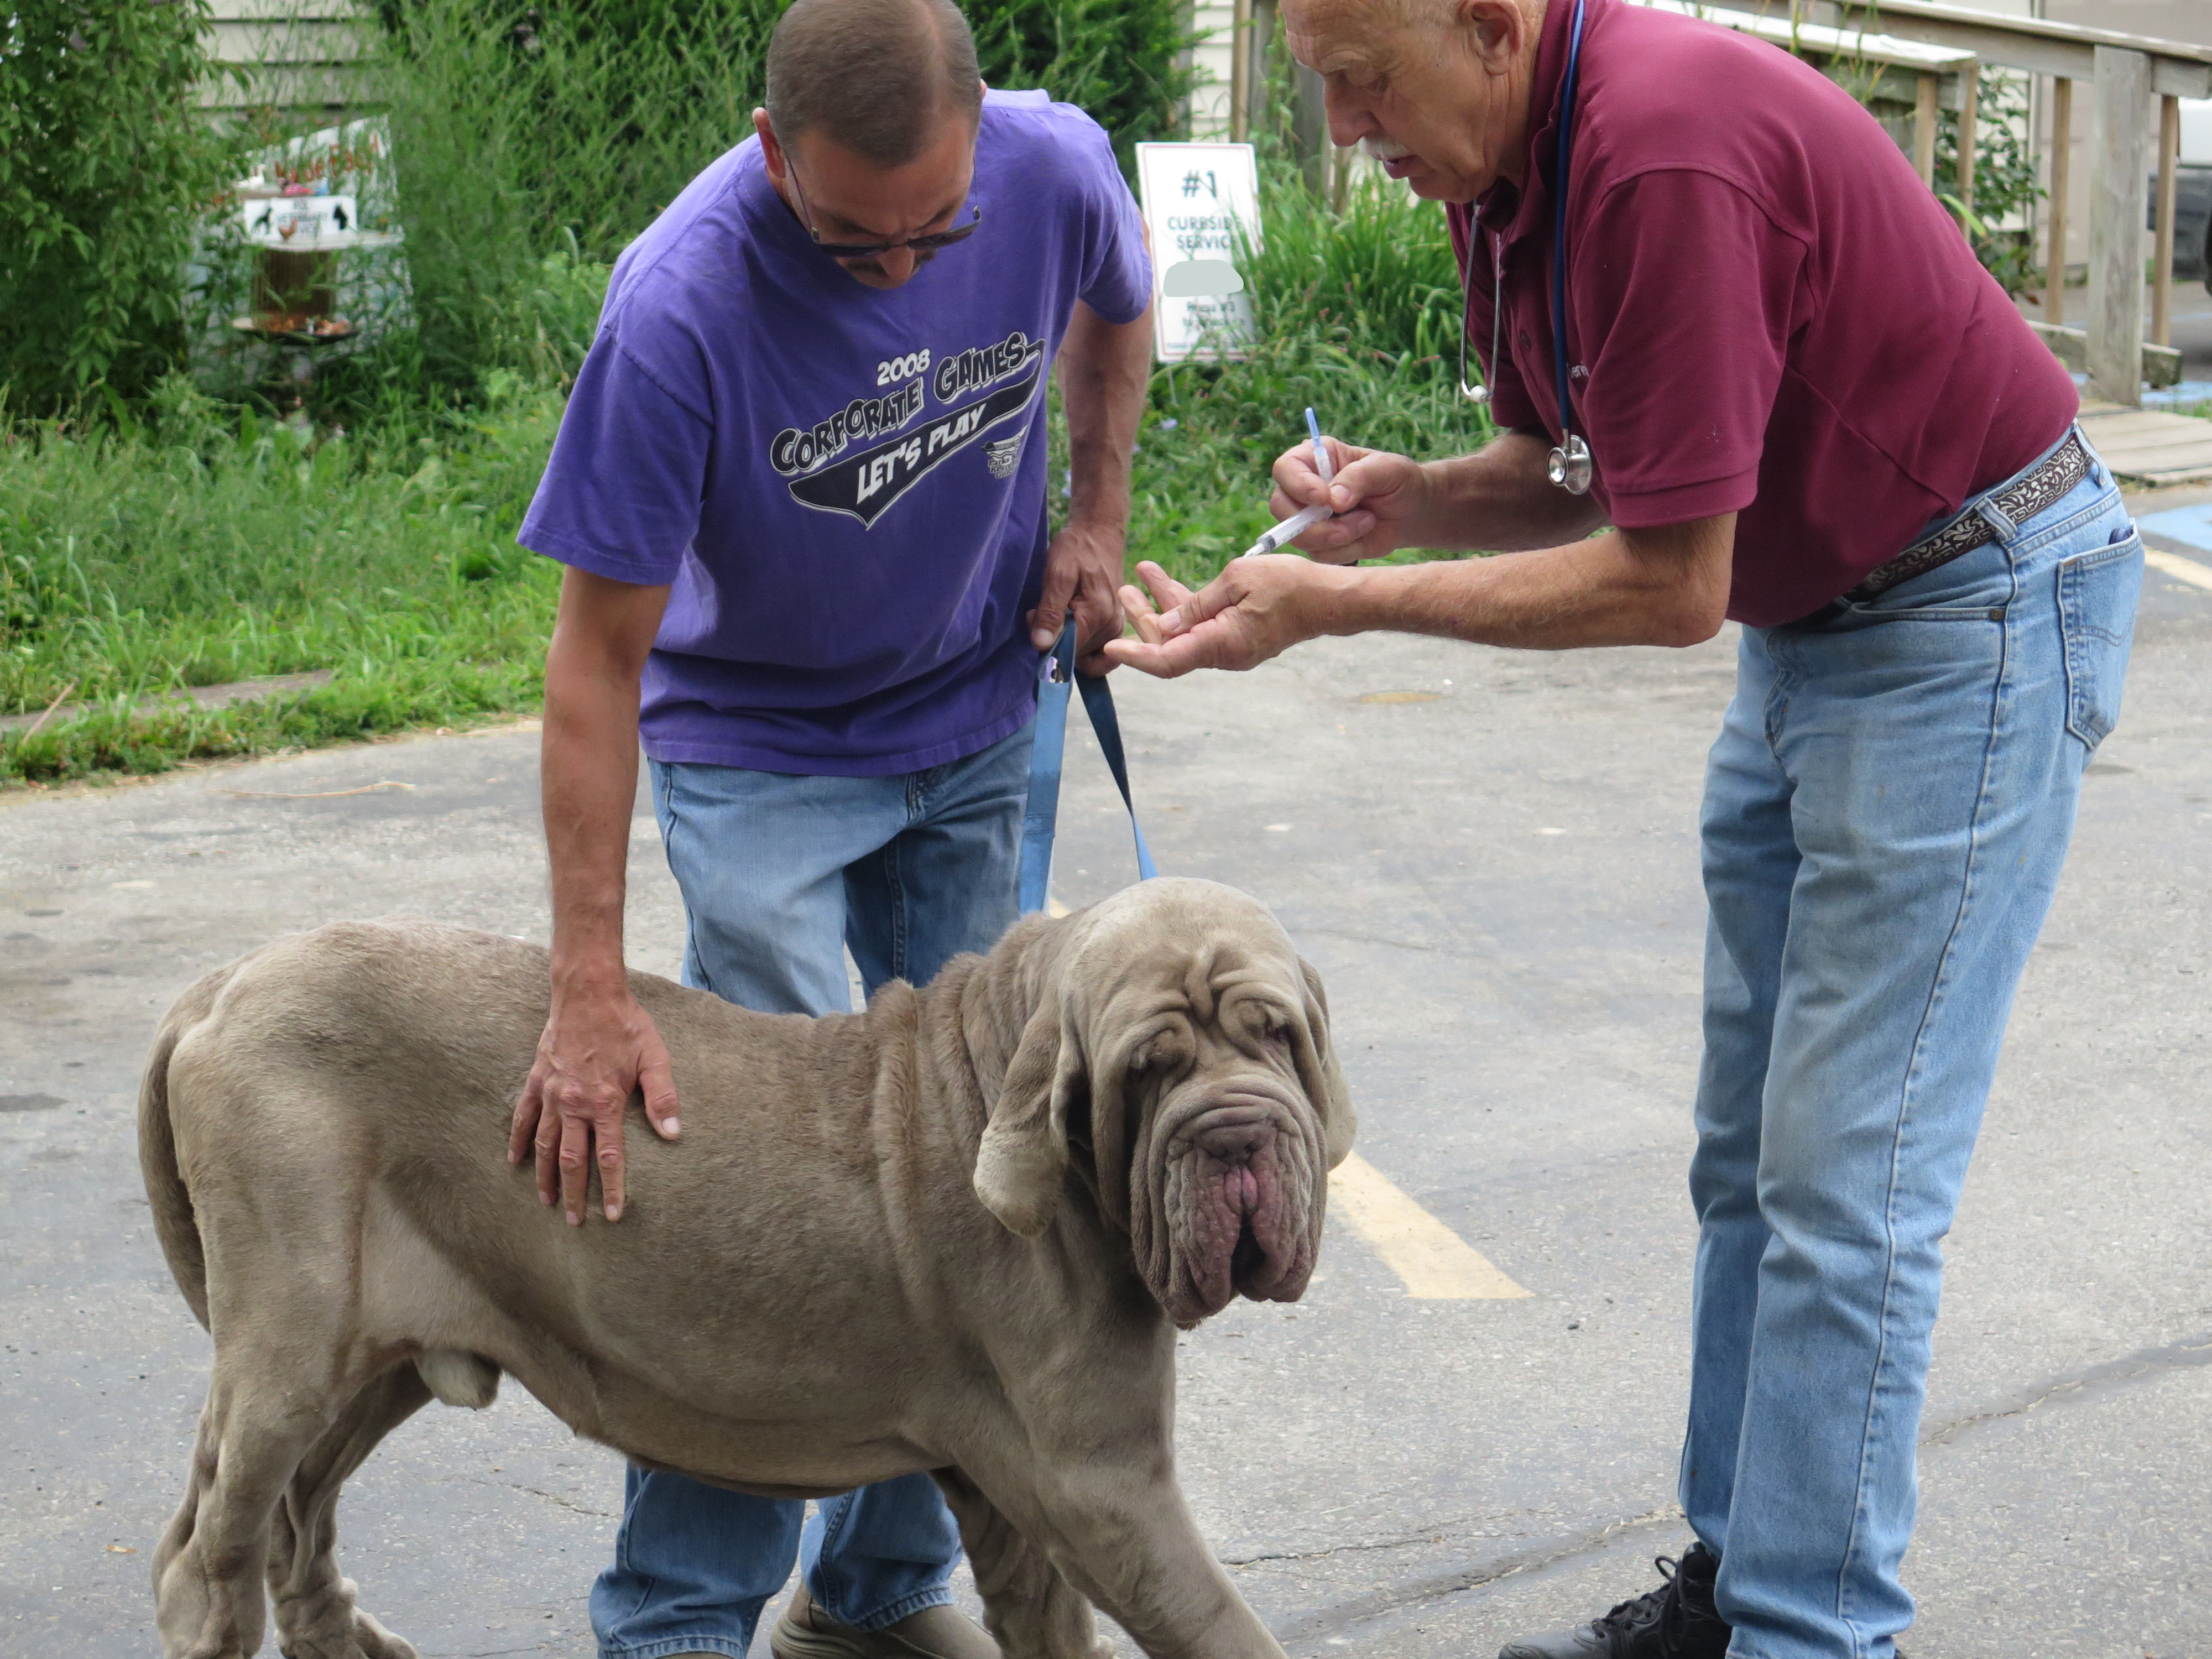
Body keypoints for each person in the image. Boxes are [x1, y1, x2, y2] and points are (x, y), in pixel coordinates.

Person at [1108, 1, 2141, 1657]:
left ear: (1491, 26)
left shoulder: (1657, 146)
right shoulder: (1510, 169)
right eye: (1322, 81)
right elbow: (1601, 463)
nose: (1347, 123)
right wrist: (1415, 497)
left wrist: (1342, 613)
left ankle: (1816, 1635)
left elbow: (1670, 585)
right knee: (1751, 1160)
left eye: (1364, 77)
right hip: (1826, 622)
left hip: (1971, 608)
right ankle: (1740, 1594)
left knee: (1846, 1183)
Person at [506, 0, 1154, 1652]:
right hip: (760, 753)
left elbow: (1116, 305)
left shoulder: (1056, 170)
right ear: (771, 148)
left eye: (933, 233)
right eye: (846, 236)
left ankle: (878, 1592)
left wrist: (1092, 519)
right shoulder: (680, 307)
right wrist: (591, 989)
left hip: (976, 713)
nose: (892, 270)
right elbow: (594, 667)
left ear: (984, 140)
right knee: (778, 1215)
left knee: (969, 1194)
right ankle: (676, 1622)